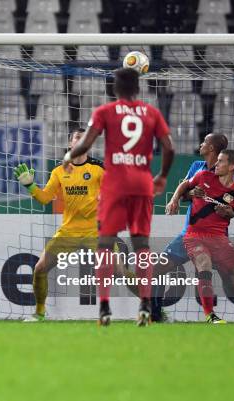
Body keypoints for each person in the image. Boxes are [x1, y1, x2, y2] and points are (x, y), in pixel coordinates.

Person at [63, 67, 174, 326]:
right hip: (142, 182)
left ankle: (104, 307)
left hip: (115, 184)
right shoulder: (152, 113)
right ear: (138, 88)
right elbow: (169, 147)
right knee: (141, 246)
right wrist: (163, 176)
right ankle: (145, 304)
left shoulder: (105, 112)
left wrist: (69, 156)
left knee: (104, 244)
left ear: (114, 88)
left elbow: (87, 143)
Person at [14, 128, 104, 322]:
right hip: (68, 232)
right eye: (78, 137)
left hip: (95, 232)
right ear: (71, 144)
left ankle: (153, 310)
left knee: (121, 273)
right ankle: (39, 313)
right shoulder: (59, 171)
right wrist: (30, 186)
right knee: (39, 269)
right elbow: (45, 198)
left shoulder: (99, 169)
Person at [172, 149, 234, 323]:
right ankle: (210, 315)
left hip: (220, 240)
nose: (216, 164)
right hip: (194, 235)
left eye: (221, 161)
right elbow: (185, 186)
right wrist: (175, 199)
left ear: (231, 167)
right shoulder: (204, 176)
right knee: (204, 264)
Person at [155, 133, 234, 322]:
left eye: (205, 142)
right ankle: (155, 313)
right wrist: (188, 194)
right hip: (189, 234)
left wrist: (217, 202)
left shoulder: (227, 173)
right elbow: (185, 192)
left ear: (212, 148)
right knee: (157, 269)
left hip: (214, 236)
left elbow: (231, 205)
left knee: (232, 275)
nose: (200, 144)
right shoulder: (196, 167)